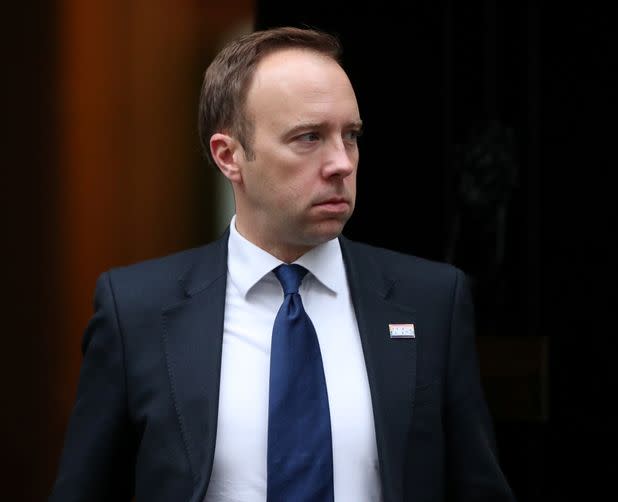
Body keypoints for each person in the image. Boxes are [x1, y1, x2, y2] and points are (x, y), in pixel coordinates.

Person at [49, 26, 515, 502]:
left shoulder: (430, 301)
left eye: (350, 136)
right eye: (308, 137)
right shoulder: (137, 311)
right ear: (229, 156)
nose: (341, 163)